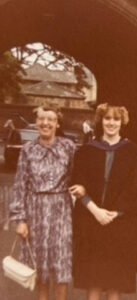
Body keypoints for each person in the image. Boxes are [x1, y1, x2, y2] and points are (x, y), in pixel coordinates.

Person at [69, 103, 137, 300]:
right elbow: (77, 183)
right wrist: (95, 210)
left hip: (120, 223)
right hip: (91, 220)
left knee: (116, 282)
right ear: (101, 121)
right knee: (93, 280)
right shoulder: (86, 151)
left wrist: (117, 212)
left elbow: (135, 188)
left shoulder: (134, 153)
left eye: (116, 119)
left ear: (122, 122)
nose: (111, 123)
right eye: (107, 118)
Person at [9, 104, 76, 300]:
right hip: (35, 211)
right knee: (39, 267)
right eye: (41, 119)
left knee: (60, 265)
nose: (45, 123)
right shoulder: (28, 149)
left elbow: (77, 176)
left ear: (57, 123)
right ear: (36, 122)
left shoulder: (68, 147)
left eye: (50, 119)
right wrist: (20, 219)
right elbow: (20, 184)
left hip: (61, 210)